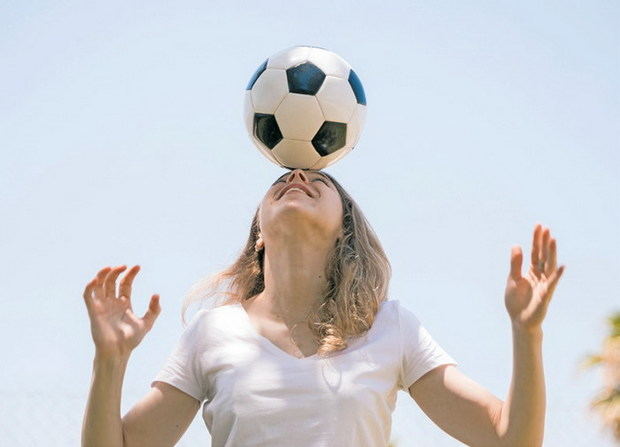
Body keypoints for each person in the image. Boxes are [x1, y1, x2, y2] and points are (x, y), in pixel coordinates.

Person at [81, 168, 565, 447]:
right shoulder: (212, 333)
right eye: (283, 178)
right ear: (259, 233)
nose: (296, 177)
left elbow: (510, 441)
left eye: (319, 180)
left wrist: (529, 335)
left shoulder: (391, 328)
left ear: (343, 229)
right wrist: (110, 363)